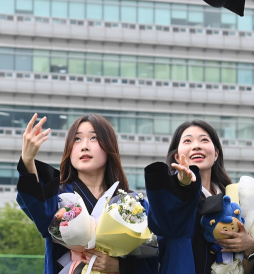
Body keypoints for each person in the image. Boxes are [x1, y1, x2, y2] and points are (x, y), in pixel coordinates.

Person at [16, 113, 158, 274]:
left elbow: (151, 260)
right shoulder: (57, 197)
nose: (84, 146)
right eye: (77, 139)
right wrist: (28, 161)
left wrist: (121, 267)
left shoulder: (132, 203)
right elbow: (39, 211)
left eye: (93, 138)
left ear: (109, 146)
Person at [144, 119, 254, 274]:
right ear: (176, 156)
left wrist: (250, 249)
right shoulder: (171, 201)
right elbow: (162, 224)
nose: (196, 145)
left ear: (216, 154)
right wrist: (183, 186)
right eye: (187, 141)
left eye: (204, 140)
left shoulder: (236, 201)